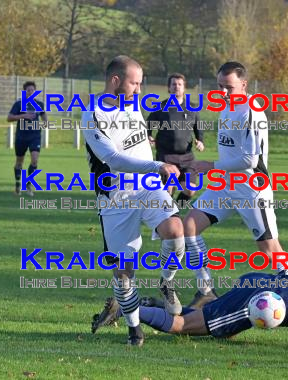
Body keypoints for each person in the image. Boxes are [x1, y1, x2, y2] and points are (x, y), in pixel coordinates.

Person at [81, 55, 186, 346]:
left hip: (149, 187)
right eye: (134, 83)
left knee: (176, 231)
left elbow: (139, 146)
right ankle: (134, 328)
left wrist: (156, 169)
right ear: (116, 81)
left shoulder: (133, 106)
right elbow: (112, 158)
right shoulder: (92, 115)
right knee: (124, 272)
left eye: (140, 83)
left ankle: (166, 282)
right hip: (116, 198)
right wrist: (157, 166)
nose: (139, 89)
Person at [182, 62, 288, 308]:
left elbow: (250, 159)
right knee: (188, 226)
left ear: (244, 85)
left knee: (269, 249)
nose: (223, 93)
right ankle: (206, 291)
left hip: (251, 188)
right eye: (220, 87)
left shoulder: (251, 111)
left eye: (229, 88)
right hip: (225, 185)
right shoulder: (226, 108)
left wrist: (209, 166)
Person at [92, 266, 288, 351]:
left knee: (193, 322)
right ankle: (127, 306)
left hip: (260, 284)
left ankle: (144, 305)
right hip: (258, 299)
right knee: (183, 328)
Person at [147, 73, 204, 206]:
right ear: (169, 88)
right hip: (166, 156)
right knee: (168, 191)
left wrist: (200, 140)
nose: (177, 87)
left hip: (187, 157)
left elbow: (198, 127)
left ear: (184, 88)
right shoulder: (160, 107)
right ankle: (170, 216)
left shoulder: (192, 107)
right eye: (174, 84)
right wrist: (149, 135)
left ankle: (177, 208)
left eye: (180, 84)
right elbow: (149, 123)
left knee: (190, 190)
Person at [7, 81, 47, 196]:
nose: (31, 92)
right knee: (19, 162)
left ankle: (28, 184)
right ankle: (17, 184)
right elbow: (9, 118)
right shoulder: (19, 104)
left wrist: (46, 123)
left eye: (32, 90)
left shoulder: (39, 104)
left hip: (35, 136)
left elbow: (44, 115)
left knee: (34, 160)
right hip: (21, 137)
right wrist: (23, 116)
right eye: (28, 90)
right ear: (25, 92)